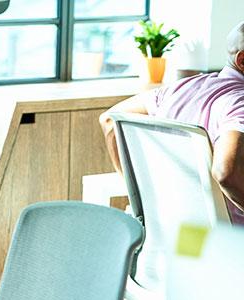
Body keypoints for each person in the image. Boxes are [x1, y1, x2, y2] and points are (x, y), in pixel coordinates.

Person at [99, 21, 244, 225]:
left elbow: (109, 121)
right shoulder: (239, 103)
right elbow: (225, 173)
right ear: (242, 61)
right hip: (230, 240)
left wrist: (136, 193)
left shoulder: (181, 88)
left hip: (180, 234)